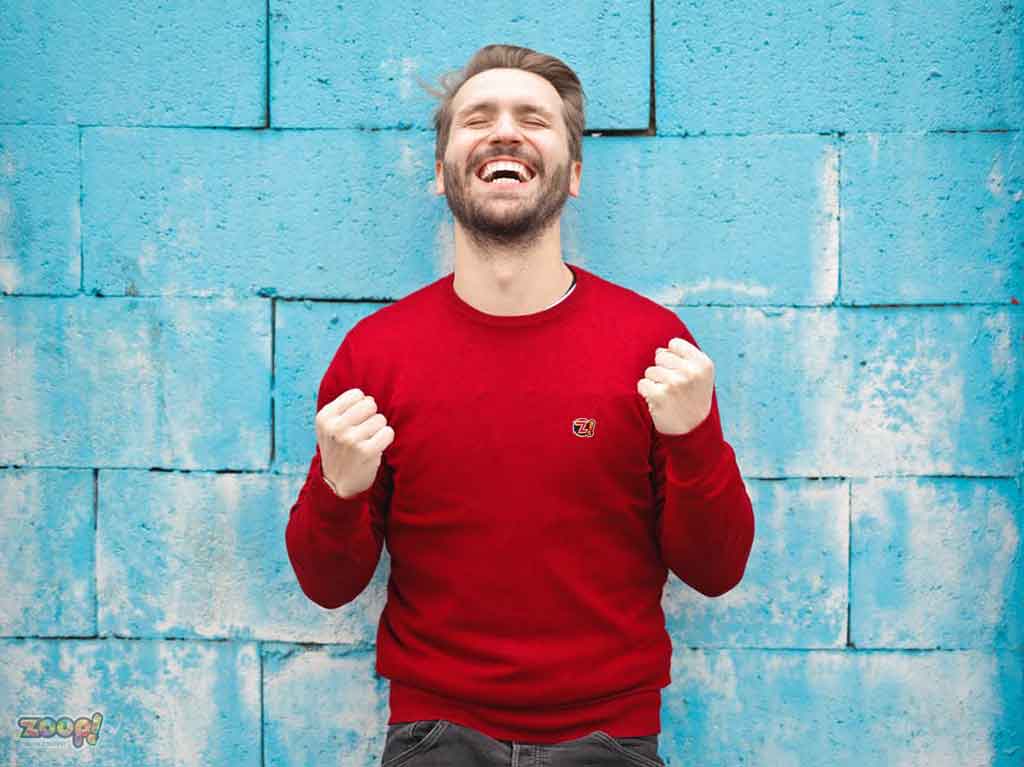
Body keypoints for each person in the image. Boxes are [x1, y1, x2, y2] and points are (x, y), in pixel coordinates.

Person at [285, 43, 755, 766]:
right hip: (432, 737)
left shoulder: (654, 348)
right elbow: (327, 583)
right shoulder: (375, 355)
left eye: (532, 118)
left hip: (612, 741)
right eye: (478, 118)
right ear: (441, 174)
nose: (504, 131)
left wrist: (694, 441)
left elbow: (718, 568)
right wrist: (338, 489)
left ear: (572, 174)